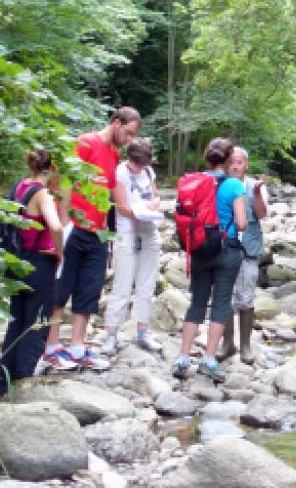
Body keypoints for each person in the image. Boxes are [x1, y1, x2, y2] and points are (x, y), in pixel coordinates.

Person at [44, 106, 141, 372]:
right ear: (117, 123)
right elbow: (62, 181)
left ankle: (77, 345)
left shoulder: (113, 154)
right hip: (74, 226)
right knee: (60, 287)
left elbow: (110, 192)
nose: (130, 140)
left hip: (98, 231)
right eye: (129, 133)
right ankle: (51, 346)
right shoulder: (86, 143)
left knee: (89, 288)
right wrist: (63, 224)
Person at [172, 138, 245, 383]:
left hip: (200, 248)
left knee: (197, 303)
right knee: (221, 303)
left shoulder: (192, 182)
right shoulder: (234, 185)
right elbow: (242, 222)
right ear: (227, 161)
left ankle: (183, 357)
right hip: (227, 250)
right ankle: (209, 359)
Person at [0, 149, 69, 394]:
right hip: (39, 264)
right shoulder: (42, 193)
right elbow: (56, 226)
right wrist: (60, 252)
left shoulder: (20, 187)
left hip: (17, 263)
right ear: (53, 170)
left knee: (17, 321)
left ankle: (4, 379)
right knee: (37, 324)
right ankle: (22, 380)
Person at [100, 137, 163, 355]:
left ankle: (143, 331)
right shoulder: (120, 173)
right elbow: (121, 206)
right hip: (126, 232)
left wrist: (154, 204)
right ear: (129, 158)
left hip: (148, 230)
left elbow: (155, 195)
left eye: (144, 163)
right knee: (122, 285)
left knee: (147, 284)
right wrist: (139, 210)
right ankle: (111, 334)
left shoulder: (148, 172)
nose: (140, 168)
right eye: (137, 163)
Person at [218, 147, 267, 364]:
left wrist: (256, 193)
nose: (235, 166)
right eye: (232, 162)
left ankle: (245, 345)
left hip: (249, 248)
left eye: (240, 162)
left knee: (246, 297)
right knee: (224, 296)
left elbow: (262, 214)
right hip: (223, 247)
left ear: (246, 164)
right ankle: (227, 343)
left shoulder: (254, 185)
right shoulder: (219, 184)